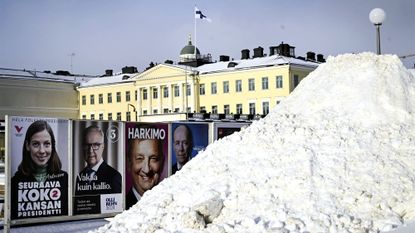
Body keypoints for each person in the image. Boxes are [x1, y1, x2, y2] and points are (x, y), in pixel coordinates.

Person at [11, 120, 68, 219]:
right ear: (27, 146)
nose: (42, 151)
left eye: (47, 144)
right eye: (36, 144)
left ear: (52, 146)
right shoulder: (15, 182)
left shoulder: (65, 179)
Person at [75, 125, 121, 195]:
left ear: (103, 147)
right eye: (87, 145)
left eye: (96, 145)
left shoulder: (114, 176)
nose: (90, 150)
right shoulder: (80, 176)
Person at [126, 138, 164, 209]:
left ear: (162, 163)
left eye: (153, 158)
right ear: (129, 163)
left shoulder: (169, 204)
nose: (147, 170)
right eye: (139, 158)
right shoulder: (123, 207)